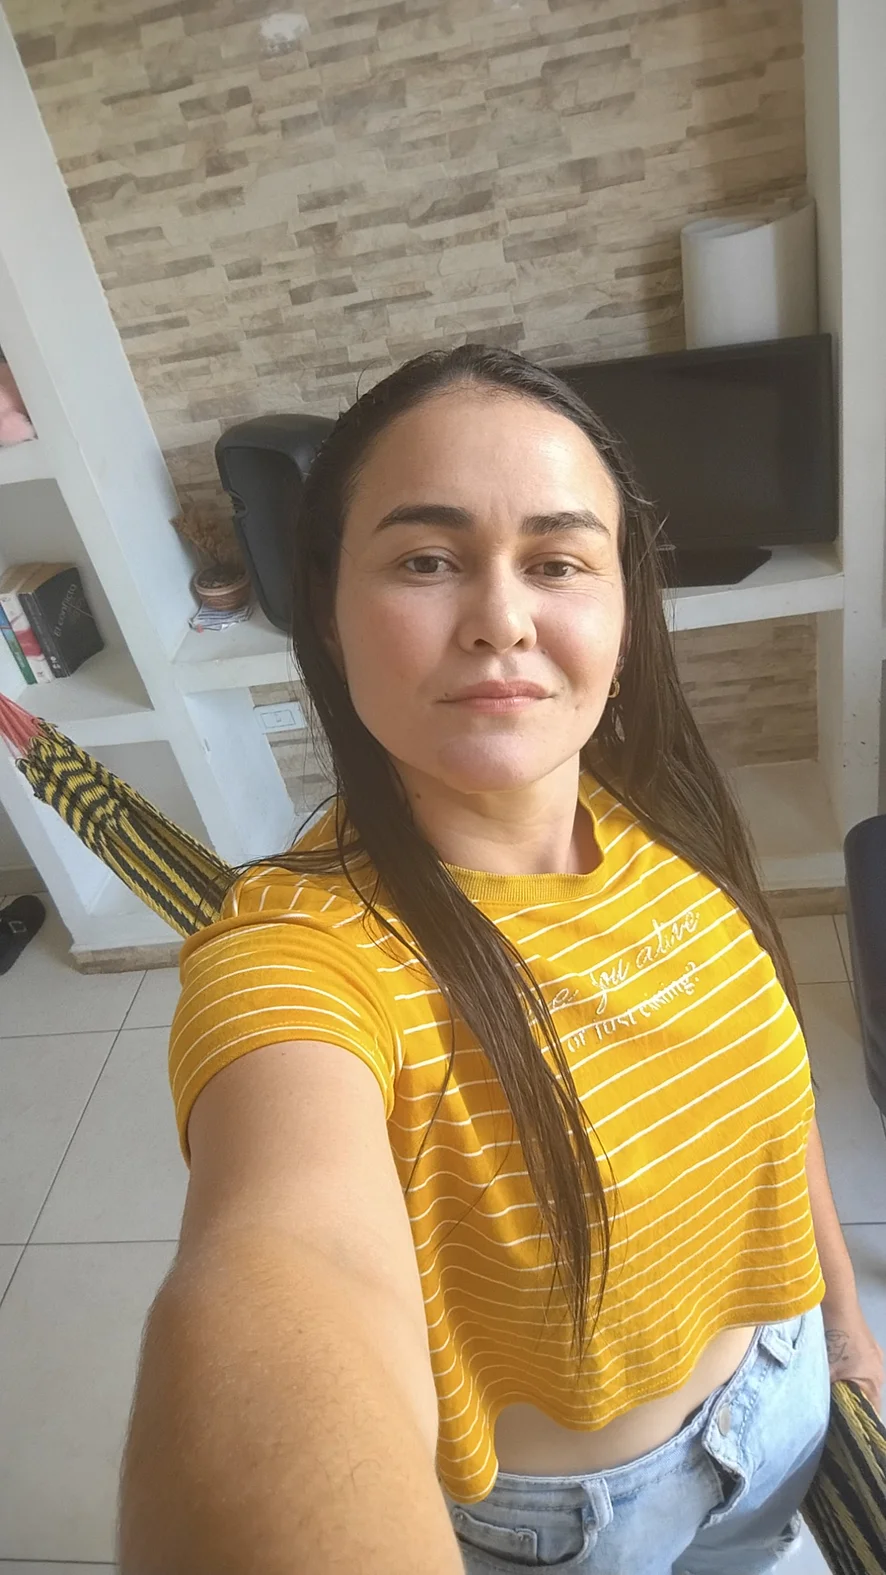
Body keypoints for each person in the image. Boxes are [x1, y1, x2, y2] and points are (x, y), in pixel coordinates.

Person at [118, 345, 883, 1575]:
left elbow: (772, 1107)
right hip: (583, 1528)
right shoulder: (300, 957)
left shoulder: (669, 822)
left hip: (781, 1391)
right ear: (327, 614)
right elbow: (291, 1266)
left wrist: (842, 1326)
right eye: (426, 560)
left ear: (622, 615)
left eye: (557, 561)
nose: (502, 619)